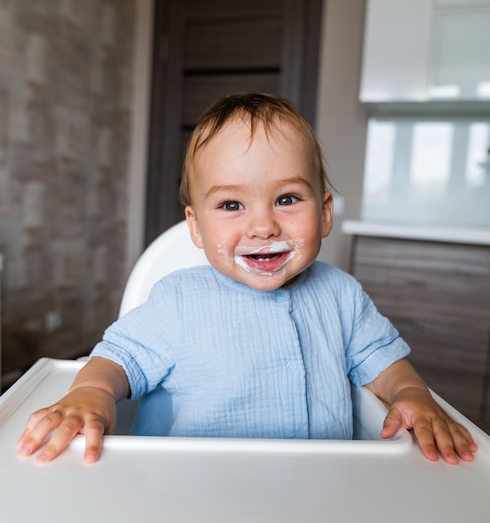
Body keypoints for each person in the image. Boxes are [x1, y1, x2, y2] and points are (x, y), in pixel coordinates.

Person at [18, 93, 477, 466]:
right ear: (196, 227)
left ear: (324, 213)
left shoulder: (341, 295)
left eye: (287, 198)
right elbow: (115, 361)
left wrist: (413, 394)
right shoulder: (179, 300)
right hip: (188, 493)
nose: (263, 227)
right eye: (232, 205)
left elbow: (385, 365)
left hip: (326, 492)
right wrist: (90, 395)